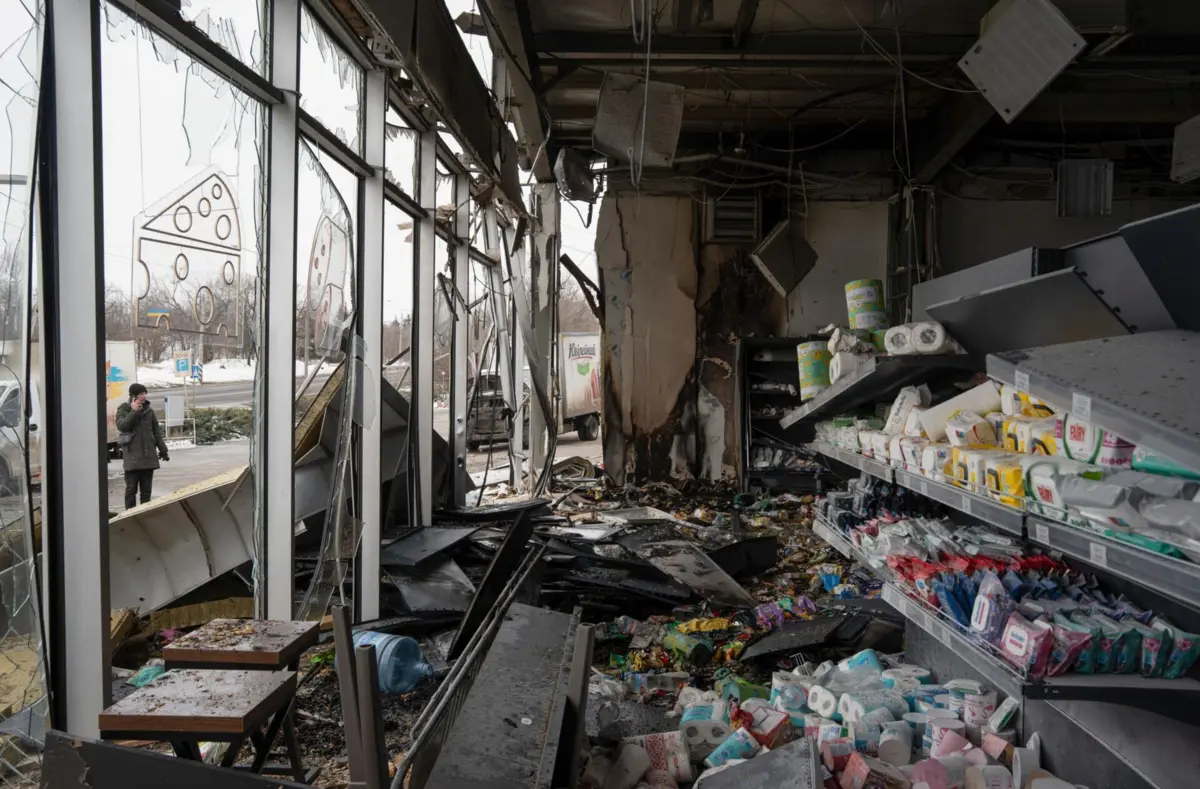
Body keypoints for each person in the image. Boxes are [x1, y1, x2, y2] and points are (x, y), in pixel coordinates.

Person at [115, 383, 170, 510]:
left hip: (148, 457)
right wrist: (134, 412)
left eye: (145, 393)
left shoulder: (149, 411)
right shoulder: (124, 409)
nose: (143, 396)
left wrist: (163, 450)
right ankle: (129, 515)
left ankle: (144, 515)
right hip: (133, 457)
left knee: (146, 492)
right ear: (133, 395)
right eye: (141, 394)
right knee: (131, 490)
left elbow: (156, 432)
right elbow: (122, 426)